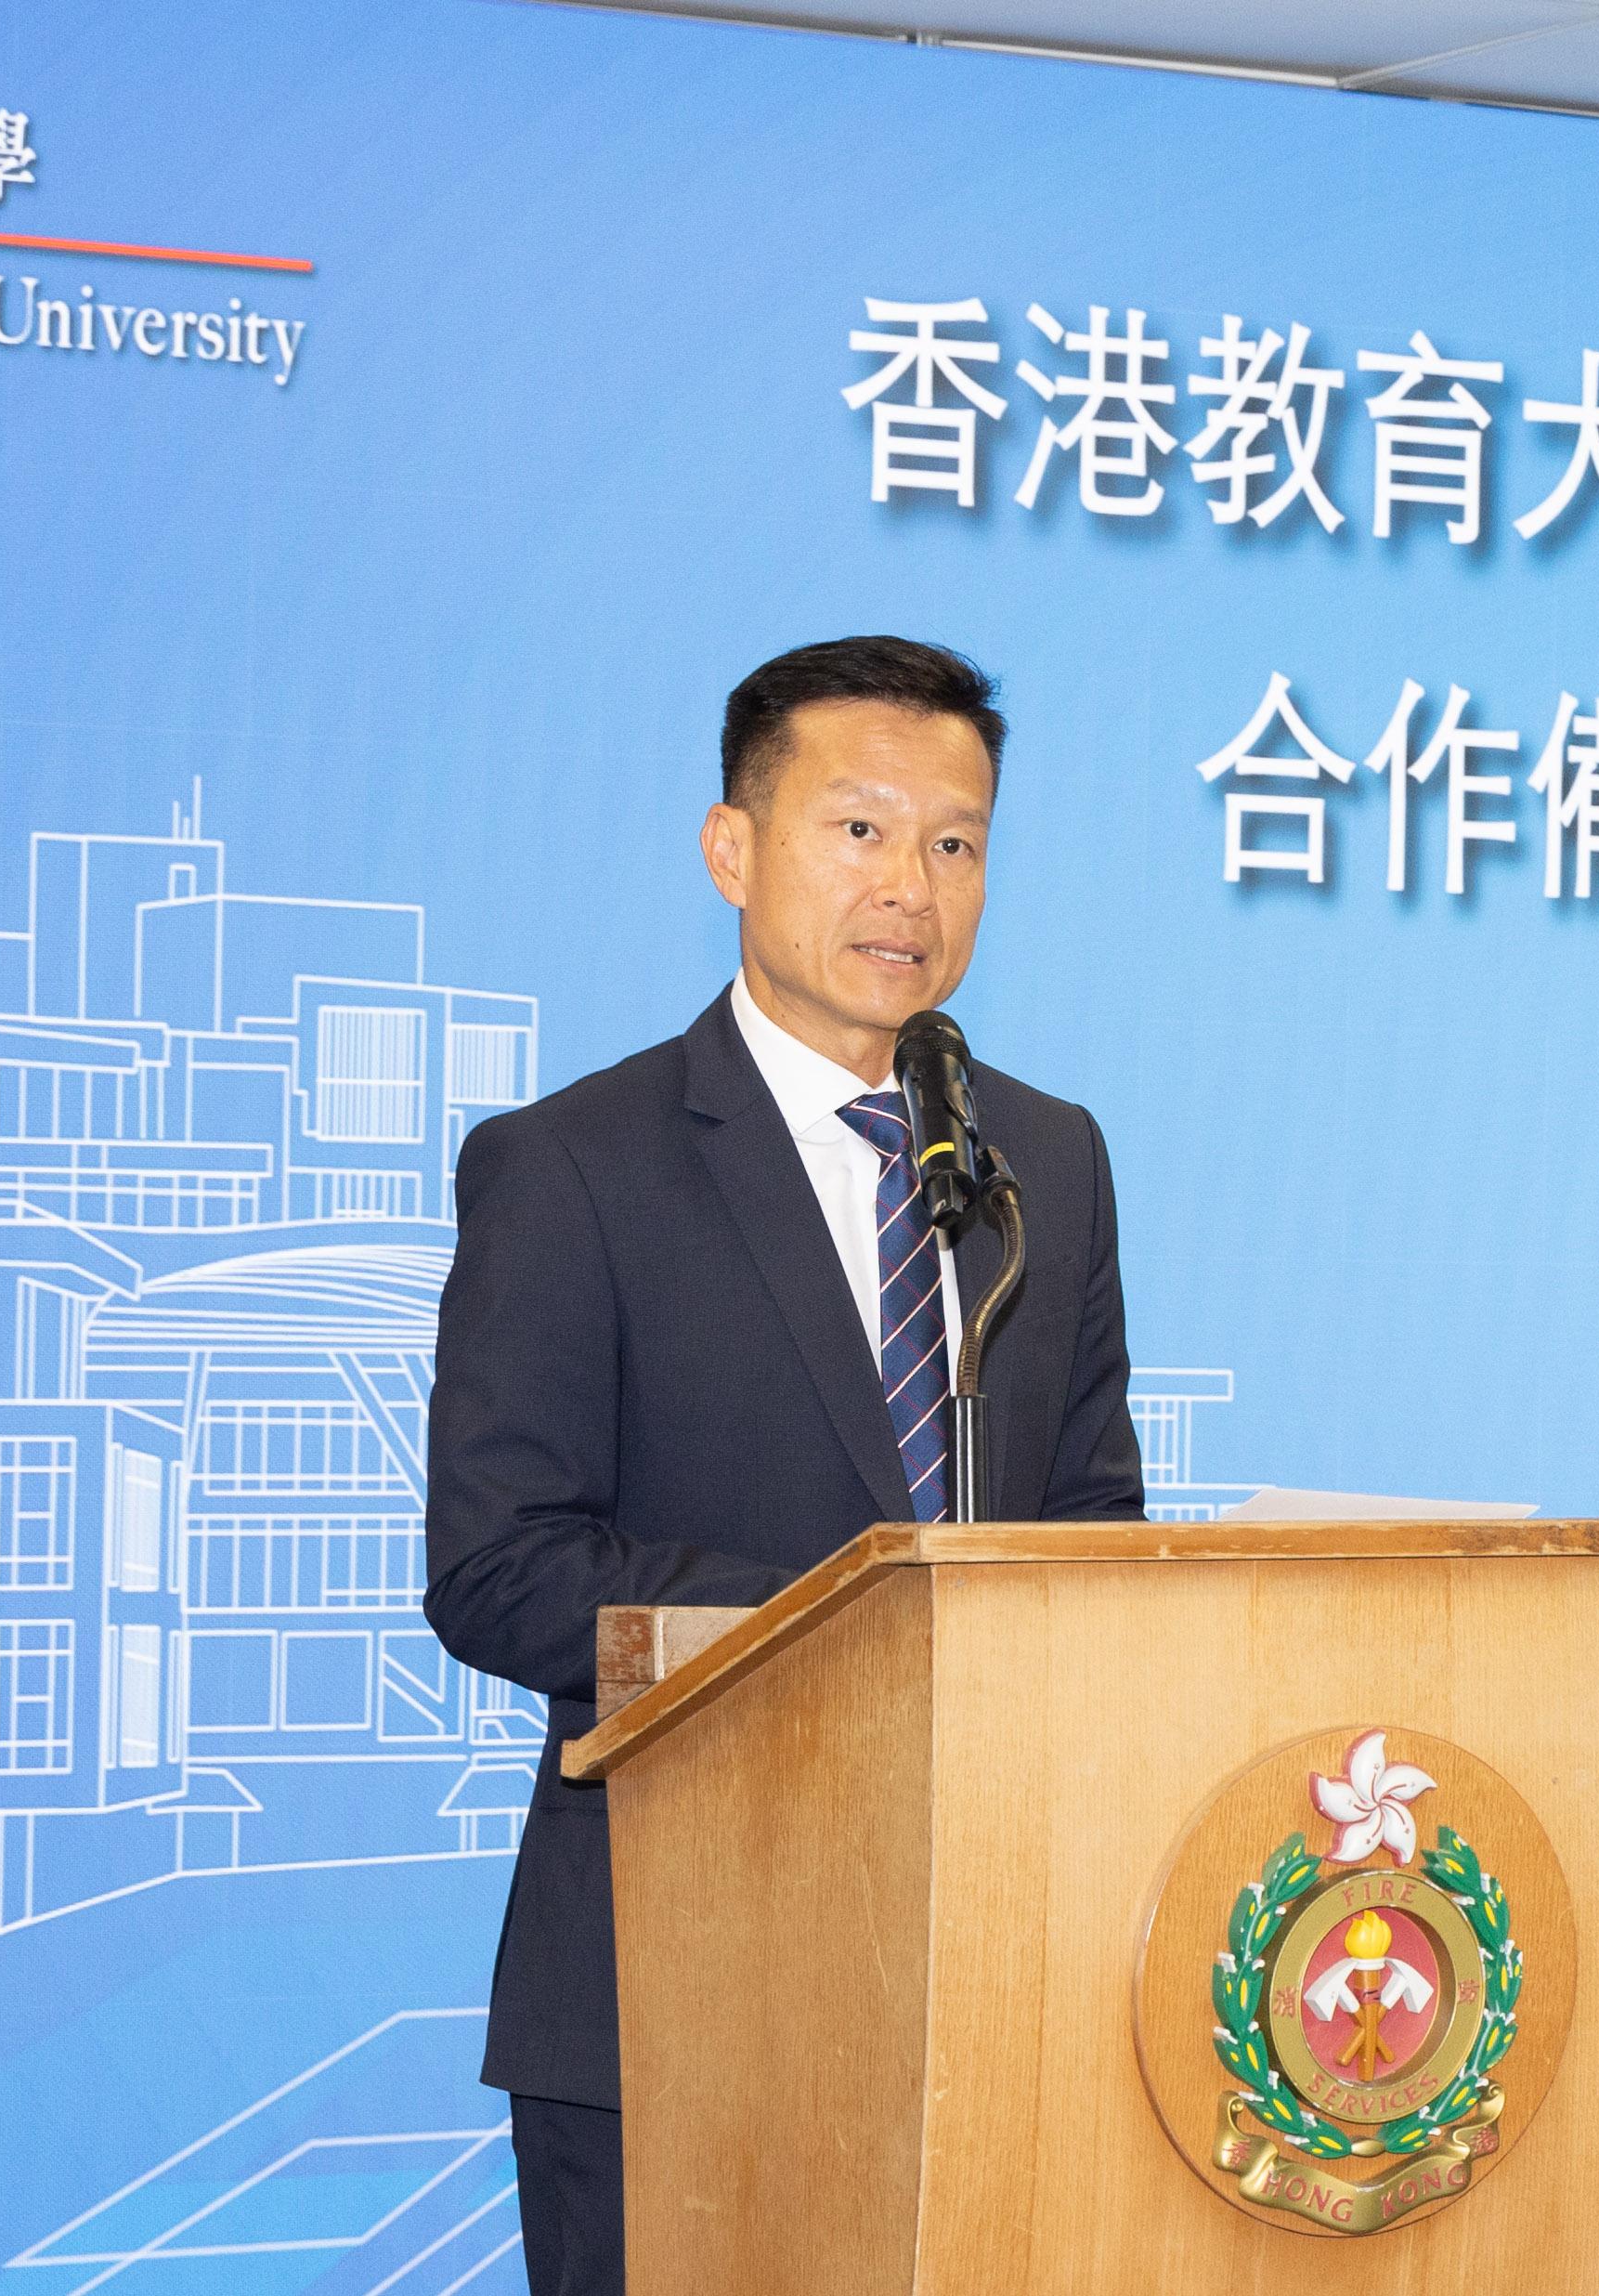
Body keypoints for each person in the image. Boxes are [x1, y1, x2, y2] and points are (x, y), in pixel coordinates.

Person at [422, 635, 1146, 2294]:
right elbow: (501, 1568)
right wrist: (859, 1626)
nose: (913, 886)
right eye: (861, 831)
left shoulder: (1049, 1162)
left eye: (957, 843)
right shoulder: (573, 1167)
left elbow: (1098, 1527)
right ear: (732, 849)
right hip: (676, 1978)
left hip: (1001, 1982)